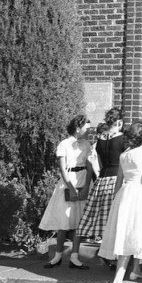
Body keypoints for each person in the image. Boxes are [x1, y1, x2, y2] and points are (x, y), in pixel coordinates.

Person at [98, 121, 142, 283]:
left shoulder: (124, 155)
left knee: (132, 232)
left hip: (124, 194)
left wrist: (115, 201)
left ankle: (136, 270)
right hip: (138, 194)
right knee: (134, 233)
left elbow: (119, 180)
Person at [39, 113, 93, 269]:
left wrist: (87, 186)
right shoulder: (64, 144)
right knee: (64, 221)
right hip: (67, 182)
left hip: (82, 180)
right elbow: (62, 168)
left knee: (79, 222)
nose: (89, 131)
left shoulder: (87, 144)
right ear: (77, 128)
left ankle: (75, 257)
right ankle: (57, 256)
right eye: (86, 128)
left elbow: (89, 167)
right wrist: (70, 187)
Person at [78, 107, 125, 246]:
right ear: (119, 122)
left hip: (102, 179)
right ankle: (112, 251)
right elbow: (125, 162)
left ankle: (104, 247)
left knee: (102, 217)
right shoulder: (122, 139)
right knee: (116, 217)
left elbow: (98, 162)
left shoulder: (100, 139)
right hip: (117, 178)